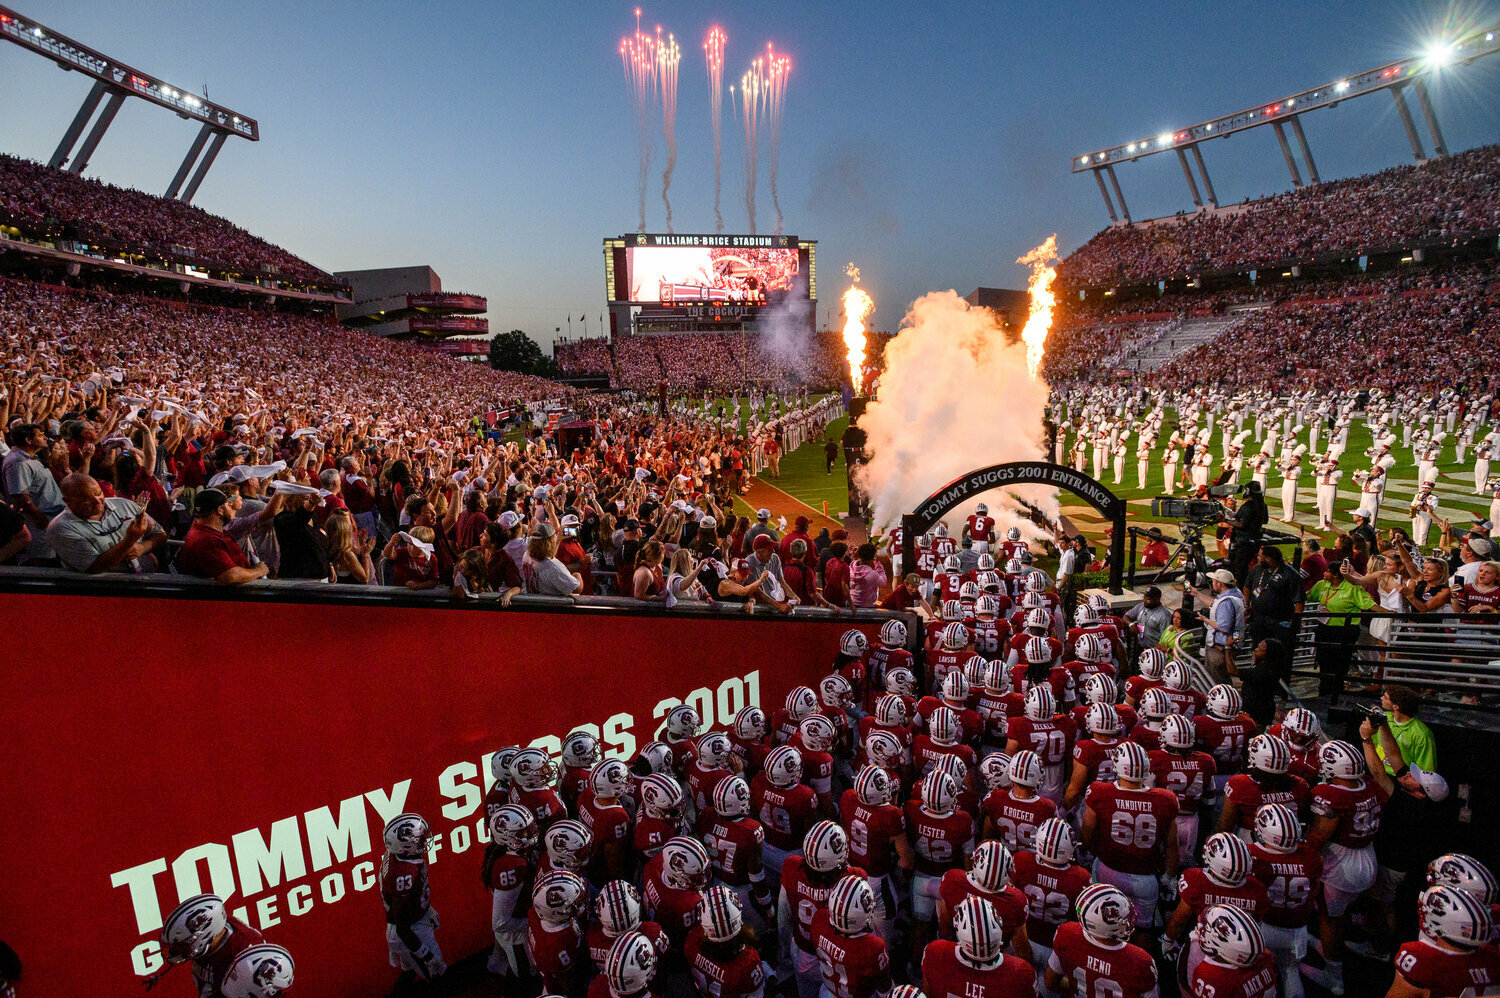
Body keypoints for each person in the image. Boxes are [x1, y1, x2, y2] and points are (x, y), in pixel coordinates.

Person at [45, 473, 166, 574]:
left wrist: (144, 547)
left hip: (146, 580)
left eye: (98, 493)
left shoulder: (125, 505)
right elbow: (95, 567)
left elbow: (161, 535)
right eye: (86, 499)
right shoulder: (60, 527)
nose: (97, 501)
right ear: (68, 501)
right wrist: (129, 541)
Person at [380, 813, 446, 986]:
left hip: (411, 923)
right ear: (404, 845)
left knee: (408, 973)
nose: (424, 842)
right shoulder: (404, 874)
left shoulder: (397, 855)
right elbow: (403, 928)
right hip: (408, 931)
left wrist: (427, 910)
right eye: (419, 839)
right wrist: (427, 955)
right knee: (437, 975)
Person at [1308, 561, 1376, 702]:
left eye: (1327, 571)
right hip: (1324, 630)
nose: (1324, 573)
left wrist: (1390, 612)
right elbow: (1307, 595)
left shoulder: (1352, 587)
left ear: (1335, 575)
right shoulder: (1321, 585)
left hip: (1345, 632)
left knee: (1340, 663)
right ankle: (1324, 691)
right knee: (1324, 661)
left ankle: (1336, 693)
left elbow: (1369, 604)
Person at [1, 423, 65, 562]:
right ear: (28, 440)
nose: (46, 438)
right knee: (42, 563)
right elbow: (19, 494)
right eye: (40, 436)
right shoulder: (18, 462)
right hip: (37, 523)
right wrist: (38, 516)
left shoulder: (30, 458)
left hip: (47, 519)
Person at [178, 488, 270, 584]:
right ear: (220, 510)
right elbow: (230, 576)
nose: (231, 507)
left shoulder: (203, 529)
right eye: (227, 504)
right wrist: (258, 571)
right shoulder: (208, 540)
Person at [1244, 545, 1302, 686]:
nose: (1258, 558)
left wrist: (1295, 622)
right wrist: (1247, 605)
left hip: (1279, 623)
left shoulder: (1290, 574)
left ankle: (1280, 687)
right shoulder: (1257, 570)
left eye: (1260, 555)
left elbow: (1299, 600)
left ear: (1269, 558)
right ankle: (1256, 681)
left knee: (1279, 655)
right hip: (1258, 621)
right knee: (1257, 651)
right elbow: (1247, 586)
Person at [1197, 569, 1246, 685]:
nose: (1212, 583)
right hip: (1228, 646)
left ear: (1220, 584)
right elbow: (1236, 626)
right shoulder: (1236, 594)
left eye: (1213, 581)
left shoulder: (1226, 602)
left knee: (1217, 683)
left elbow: (1224, 627)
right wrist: (1196, 594)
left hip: (1220, 649)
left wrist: (1206, 620)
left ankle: (1224, 702)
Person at [1226, 481, 1269, 585]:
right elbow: (1265, 521)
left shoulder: (1249, 505)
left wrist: (1224, 519)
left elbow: (1241, 524)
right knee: (1246, 566)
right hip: (1255, 539)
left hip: (1243, 541)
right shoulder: (1262, 505)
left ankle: (1242, 589)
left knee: (1239, 569)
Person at [1125, 586, 1172, 650]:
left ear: (1157, 599)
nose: (1145, 600)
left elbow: (1166, 639)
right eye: (1144, 597)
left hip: (1154, 650)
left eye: (1149, 599)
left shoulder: (1164, 616)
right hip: (1140, 646)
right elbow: (1126, 616)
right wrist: (1130, 624)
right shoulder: (1141, 606)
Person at [849, 543, 888, 610]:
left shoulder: (851, 567)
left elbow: (855, 561)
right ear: (873, 557)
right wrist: (878, 565)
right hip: (867, 605)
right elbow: (883, 582)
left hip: (853, 602)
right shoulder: (872, 574)